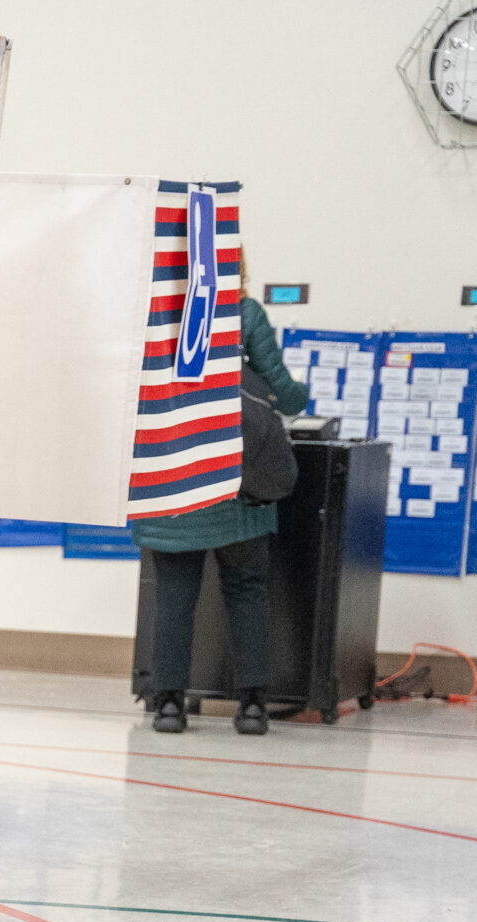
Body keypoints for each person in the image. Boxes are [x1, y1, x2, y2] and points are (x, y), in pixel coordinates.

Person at [135, 287, 310, 736]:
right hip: (236, 488)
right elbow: (286, 397)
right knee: (247, 591)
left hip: (167, 481)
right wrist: (297, 394)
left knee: (173, 596)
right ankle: (252, 706)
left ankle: (169, 705)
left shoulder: (150, 310)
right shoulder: (243, 311)